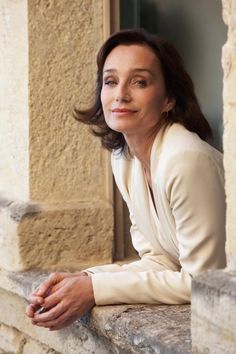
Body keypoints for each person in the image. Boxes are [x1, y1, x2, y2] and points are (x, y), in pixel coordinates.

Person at [26, 28, 226, 331]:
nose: (121, 94)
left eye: (140, 81)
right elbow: (159, 260)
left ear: (169, 98)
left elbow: (203, 282)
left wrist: (95, 290)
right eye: (110, 81)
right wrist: (86, 279)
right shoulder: (125, 159)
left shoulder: (186, 159)